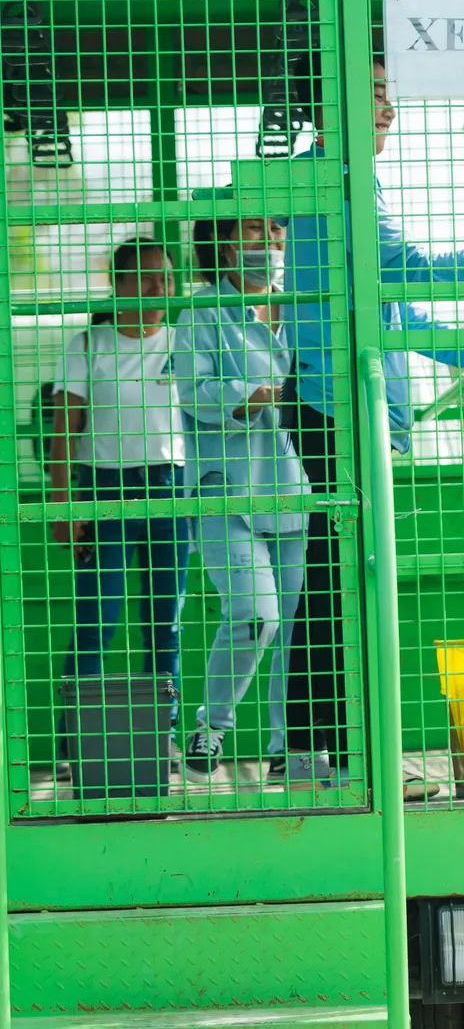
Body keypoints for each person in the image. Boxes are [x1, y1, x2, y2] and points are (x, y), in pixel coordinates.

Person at [280, 59, 464, 790]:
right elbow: (406, 273)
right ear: (327, 105)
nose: (386, 109)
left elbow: (393, 309)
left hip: (354, 406)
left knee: (348, 579)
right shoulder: (335, 180)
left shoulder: (348, 180)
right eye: (368, 93)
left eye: (389, 95)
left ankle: (344, 757)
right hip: (336, 409)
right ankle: (331, 759)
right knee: (340, 581)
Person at [172, 215, 309, 782]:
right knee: (257, 615)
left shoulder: (306, 300)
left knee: (299, 625)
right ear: (221, 245)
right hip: (225, 490)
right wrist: (246, 396)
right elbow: (192, 389)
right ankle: (211, 728)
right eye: (253, 231)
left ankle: (288, 747)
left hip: (296, 487)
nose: (268, 241)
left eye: (274, 231)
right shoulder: (202, 311)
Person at [51, 238, 190, 767]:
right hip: (103, 489)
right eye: (148, 278)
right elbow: (66, 427)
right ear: (119, 284)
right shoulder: (88, 344)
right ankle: (74, 743)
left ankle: (166, 736)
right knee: (97, 617)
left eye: (168, 278)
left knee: (165, 620)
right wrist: (64, 502)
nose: (161, 289)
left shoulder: (183, 341)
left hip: (169, 489)